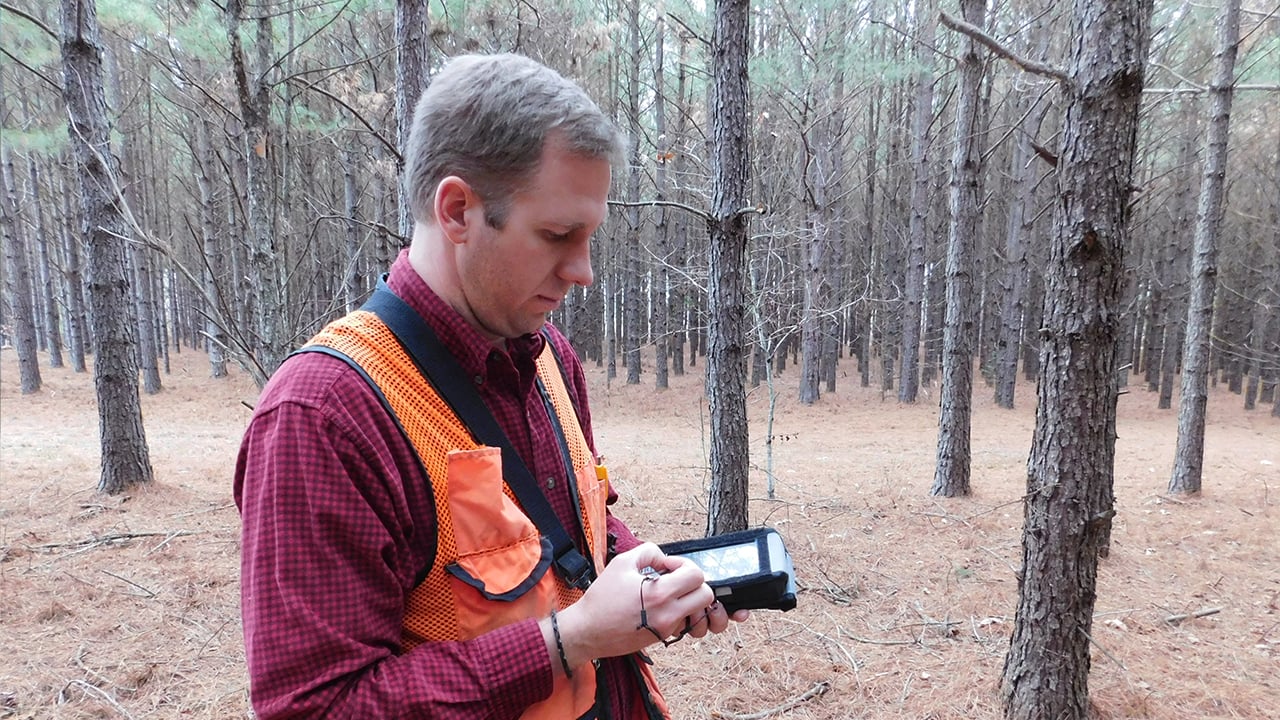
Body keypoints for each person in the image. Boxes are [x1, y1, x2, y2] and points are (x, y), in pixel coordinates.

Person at [235, 53, 747, 719]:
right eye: (557, 235)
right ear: (457, 211)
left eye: (589, 236)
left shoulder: (548, 359)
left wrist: (646, 577)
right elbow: (317, 708)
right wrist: (575, 638)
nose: (583, 271)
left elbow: (573, 535)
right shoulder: (325, 416)